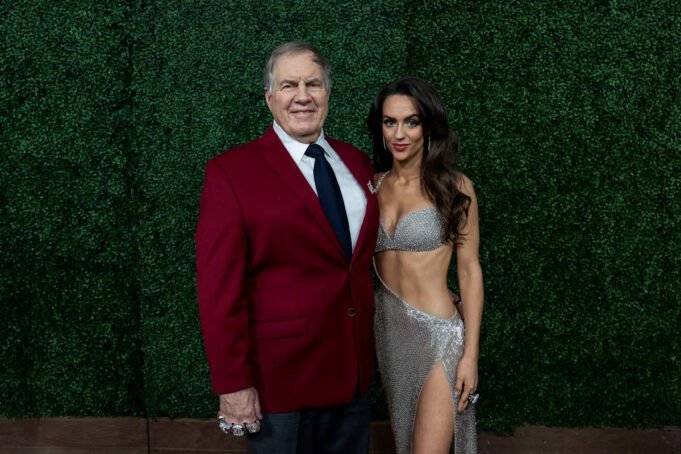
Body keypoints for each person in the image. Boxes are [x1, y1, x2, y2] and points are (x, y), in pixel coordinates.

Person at [195, 41, 379, 453]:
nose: (302, 96)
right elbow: (219, 291)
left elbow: (369, 259)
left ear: (327, 93)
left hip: (352, 379)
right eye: (288, 85)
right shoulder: (231, 172)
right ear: (269, 98)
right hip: (280, 387)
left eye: (313, 84)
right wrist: (233, 384)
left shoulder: (356, 162)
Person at [367, 77, 484, 453]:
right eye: (390, 122)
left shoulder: (455, 187)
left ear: (428, 126)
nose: (399, 134)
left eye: (411, 122)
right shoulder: (371, 186)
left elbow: (469, 271)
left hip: (439, 337)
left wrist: (470, 356)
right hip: (389, 336)